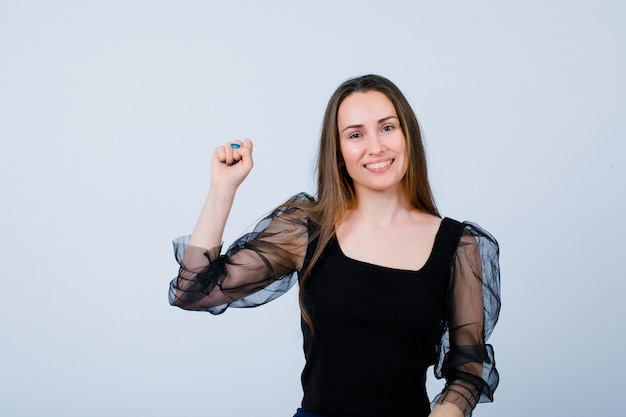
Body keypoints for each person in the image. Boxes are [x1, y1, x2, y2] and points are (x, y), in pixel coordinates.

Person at [169, 74, 501, 417]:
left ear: (408, 136)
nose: (376, 147)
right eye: (356, 135)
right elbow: (193, 292)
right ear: (339, 153)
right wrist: (222, 190)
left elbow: (467, 373)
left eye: (387, 128)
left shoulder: (458, 247)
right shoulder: (306, 230)